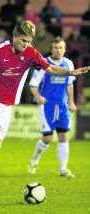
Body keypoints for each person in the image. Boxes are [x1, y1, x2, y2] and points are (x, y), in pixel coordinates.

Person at [0, 20, 90, 202]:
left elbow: (51, 67)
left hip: (6, 104)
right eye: (23, 41)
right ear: (14, 37)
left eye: (29, 41)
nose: (26, 45)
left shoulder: (31, 53)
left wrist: (70, 73)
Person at [28, 37, 77, 177]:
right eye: (56, 47)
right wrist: (38, 97)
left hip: (62, 105)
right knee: (48, 138)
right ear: (51, 49)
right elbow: (33, 84)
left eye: (61, 47)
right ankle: (34, 159)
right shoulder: (43, 63)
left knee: (63, 135)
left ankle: (63, 169)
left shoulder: (69, 64)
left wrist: (71, 102)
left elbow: (69, 84)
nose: (58, 50)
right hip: (46, 106)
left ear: (65, 49)